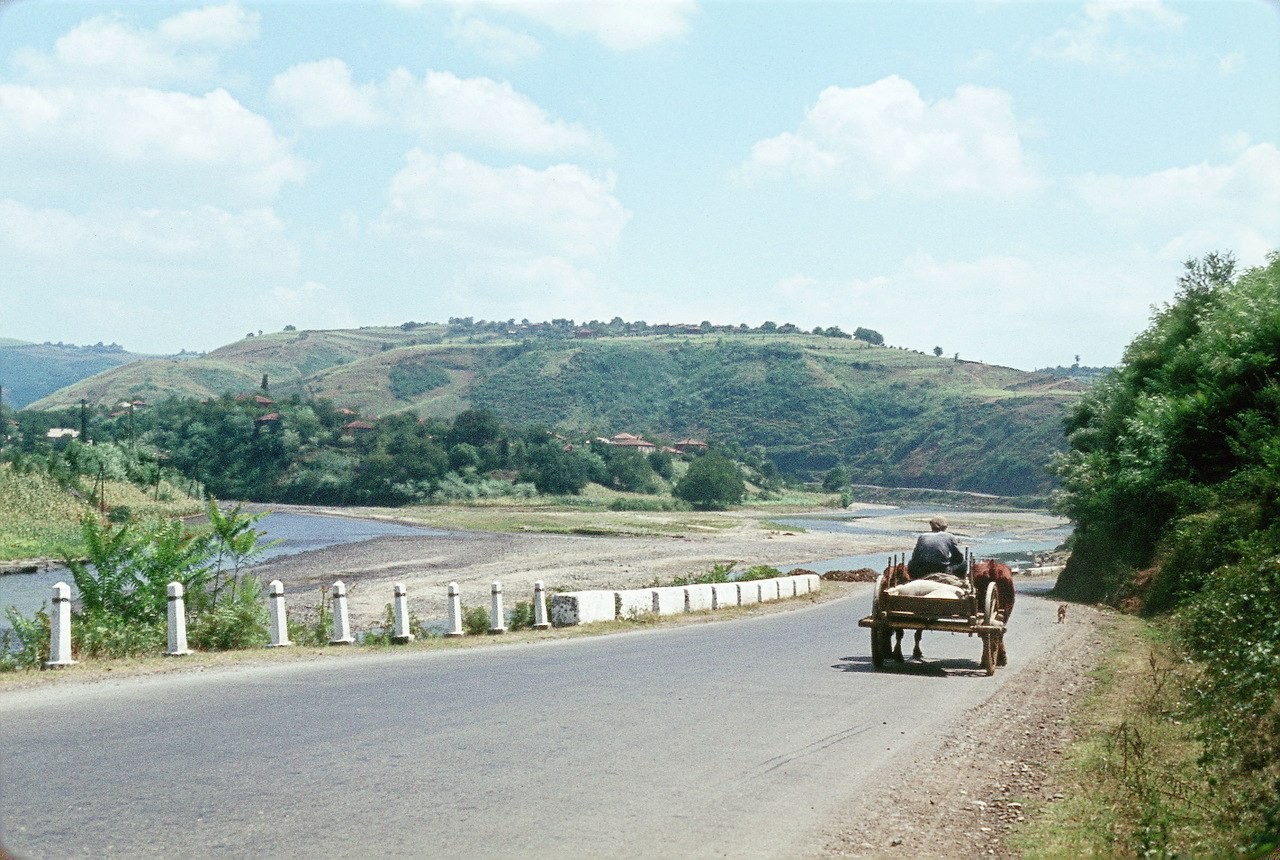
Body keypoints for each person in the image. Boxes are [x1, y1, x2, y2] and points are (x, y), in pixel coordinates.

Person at [907, 516, 965, 580]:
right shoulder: (949, 536)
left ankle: (914, 578)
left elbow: (915, 556)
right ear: (945, 527)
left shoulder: (923, 536)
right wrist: (949, 559)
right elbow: (959, 556)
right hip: (941, 569)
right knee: (963, 562)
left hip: (923, 569)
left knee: (910, 562)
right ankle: (962, 580)